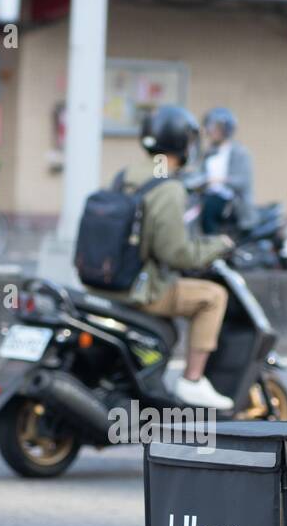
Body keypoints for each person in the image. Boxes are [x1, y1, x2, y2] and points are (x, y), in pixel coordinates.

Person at [99, 105, 235, 410]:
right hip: (140, 289)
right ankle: (192, 380)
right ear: (182, 143)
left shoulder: (125, 176)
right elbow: (176, 254)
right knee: (213, 296)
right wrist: (217, 245)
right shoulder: (169, 187)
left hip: (105, 284)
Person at [198, 107, 255, 236]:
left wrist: (218, 180)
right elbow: (199, 174)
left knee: (210, 206)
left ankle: (213, 245)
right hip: (209, 197)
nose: (211, 131)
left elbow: (243, 181)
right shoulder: (209, 153)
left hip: (233, 204)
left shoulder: (240, 153)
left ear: (226, 129)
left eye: (216, 127)